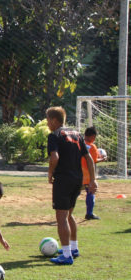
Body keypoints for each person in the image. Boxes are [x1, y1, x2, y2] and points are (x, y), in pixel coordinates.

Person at [46, 106, 97, 265]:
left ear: (55, 120)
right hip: (78, 180)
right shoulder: (76, 134)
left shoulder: (54, 136)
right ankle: (73, 248)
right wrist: (93, 180)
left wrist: (50, 173)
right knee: (69, 215)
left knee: (61, 218)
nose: (47, 124)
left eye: (48, 120)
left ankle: (66, 255)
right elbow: (88, 158)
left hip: (63, 180)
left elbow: (54, 157)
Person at [81, 127, 106, 220]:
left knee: (75, 193)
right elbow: (94, 160)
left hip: (77, 172)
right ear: (93, 136)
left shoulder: (79, 144)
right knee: (91, 192)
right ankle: (89, 213)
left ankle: (66, 211)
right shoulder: (92, 147)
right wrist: (102, 159)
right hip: (88, 174)